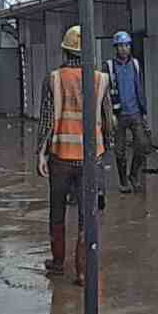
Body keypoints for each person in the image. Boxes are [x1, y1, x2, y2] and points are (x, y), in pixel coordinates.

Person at [37, 25, 113, 286]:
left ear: (65, 51)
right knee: (86, 215)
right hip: (91, 159)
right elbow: (108, 120)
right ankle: (82, 272)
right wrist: (105, 150)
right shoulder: (100, 79)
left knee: (57, 211)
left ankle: (58, 263)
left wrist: (41, 154)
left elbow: (46, 120)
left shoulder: (54, 79)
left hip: (60, 156)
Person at [103, 30, 151, 193]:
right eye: (121, 46)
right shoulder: (109, 66)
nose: (124, 49)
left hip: (135, 112)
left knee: (143, 145)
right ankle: (123, 182)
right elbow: (105, 92)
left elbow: (139, 88)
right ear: (116, 48)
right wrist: (109, 114)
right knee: (120, 151)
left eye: (127, 45)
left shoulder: (135, 64)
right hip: (118, 115)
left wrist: (144, 111)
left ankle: (133, 175)